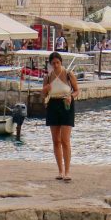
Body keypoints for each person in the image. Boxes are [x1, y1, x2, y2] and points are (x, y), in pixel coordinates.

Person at [42, 51, 79, 181]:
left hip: (66, 104)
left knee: (65, 140)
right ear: (50, 65)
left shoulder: (68, 74)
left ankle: (68, 171)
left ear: (61, 62)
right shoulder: (47, 77)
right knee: (55, 140)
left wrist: (71, 97)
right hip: (52, 105)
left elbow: (77, 90)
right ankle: (60, 171)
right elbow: (43, 94)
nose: (56, 65)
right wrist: (45, 89)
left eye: (58, 62)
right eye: (53, 63)